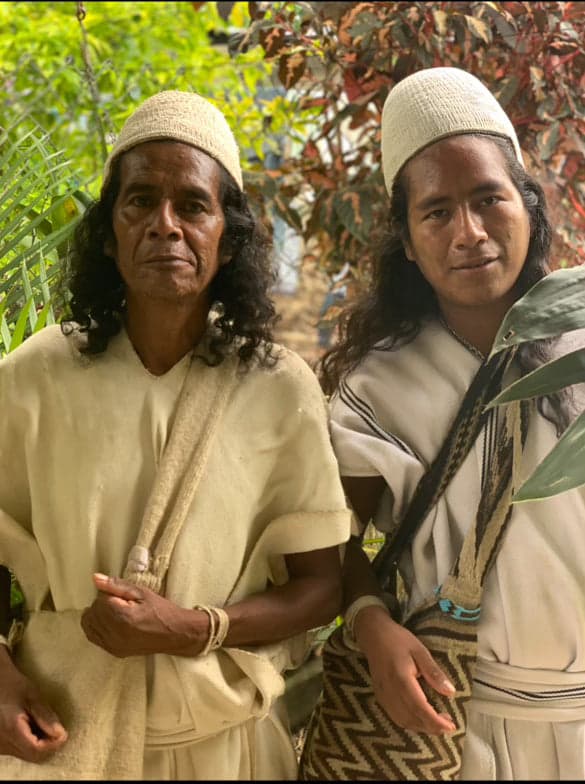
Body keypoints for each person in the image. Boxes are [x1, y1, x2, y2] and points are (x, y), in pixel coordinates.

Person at [0, 90, 351, 780]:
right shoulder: (34, 377)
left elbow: (321, 587)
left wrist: (195, 629)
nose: (165, 225)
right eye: (140, 201)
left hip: (225, 748)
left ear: (228, 238)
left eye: (193, 205)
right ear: (109, 233)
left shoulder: (277, 389)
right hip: (64, 734)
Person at [316, 67, 585, 779]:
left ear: (528, 206)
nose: (469, 233)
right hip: (459, 730)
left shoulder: (581, 344)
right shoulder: (380, 386)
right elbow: (326, 540)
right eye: (436, 212)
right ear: (406, 241)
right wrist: (370, 623)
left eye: (488, 198)